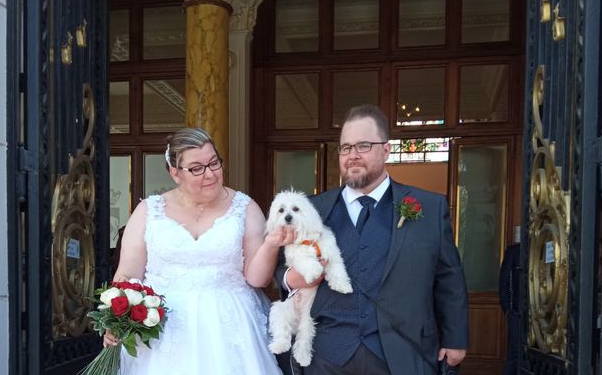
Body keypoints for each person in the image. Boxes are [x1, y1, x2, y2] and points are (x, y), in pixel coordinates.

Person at [276, 105, 469, 374]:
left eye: (363, 146)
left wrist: (455, 338)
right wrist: (289, 279)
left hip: (403, 352)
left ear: (386, 149)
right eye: (345, 148)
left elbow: (449, 277)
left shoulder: (428, 207)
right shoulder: (310, 209)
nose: (352, 156)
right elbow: (280, 265)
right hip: (326, 355)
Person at [105, 127, 293, 374]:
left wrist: (270, 244)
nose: (210, 174)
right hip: (162, 332)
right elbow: (128, 273)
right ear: (174, 173)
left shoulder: (245, 208)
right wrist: (114, 319)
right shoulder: (149, 211)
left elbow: (258, 278)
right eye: (197, 168)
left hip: (230, 328)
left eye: (214, 163)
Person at [499, 242, 521, 374]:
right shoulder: (514, 251)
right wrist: (507, 308)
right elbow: (504, 280)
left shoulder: (545, 247)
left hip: (540, 316)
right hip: (516, 312)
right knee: (515, 352)